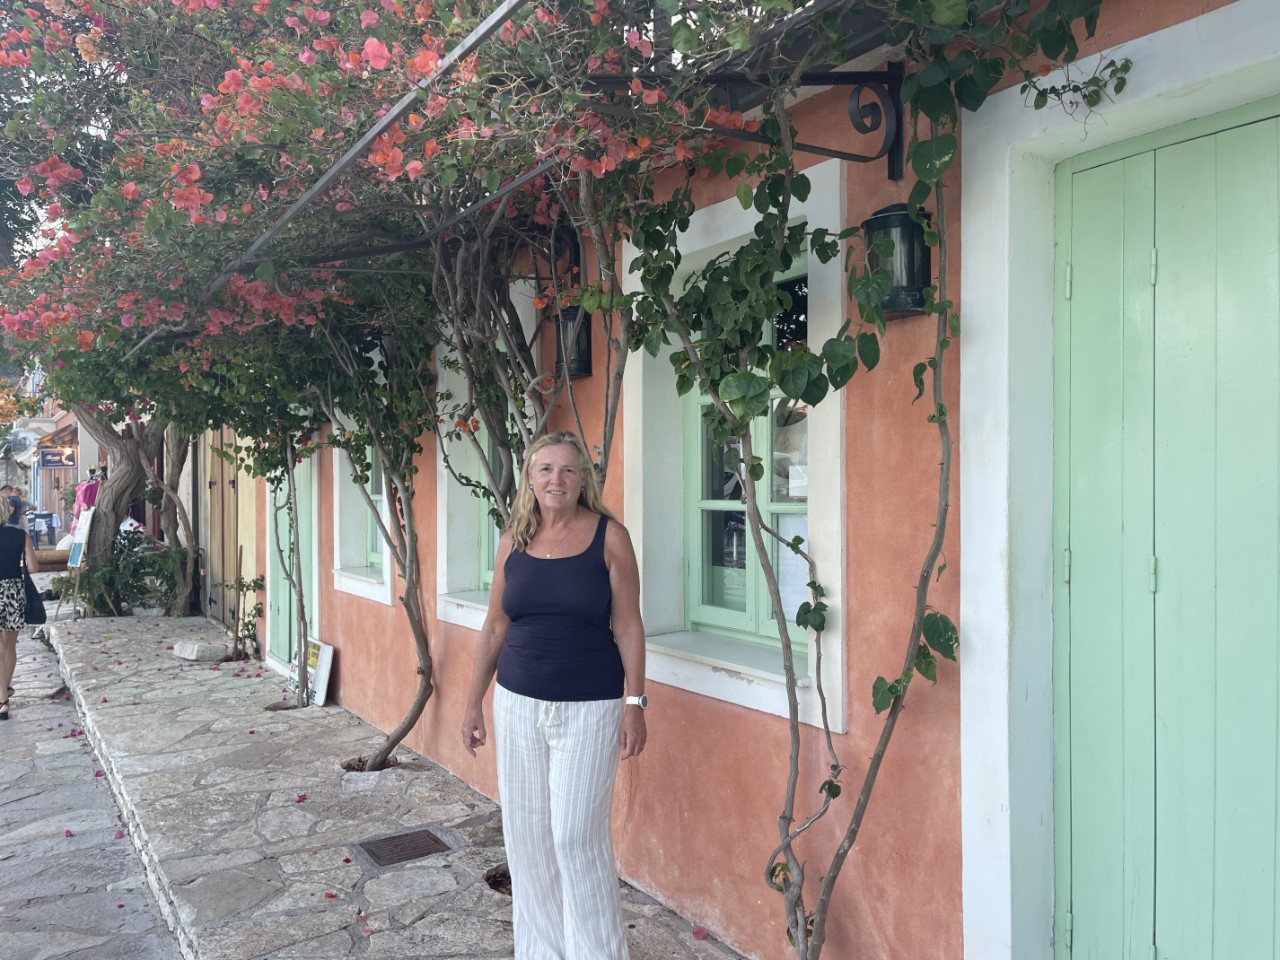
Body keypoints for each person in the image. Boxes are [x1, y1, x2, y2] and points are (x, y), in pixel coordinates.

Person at [462, 431, 647, 960]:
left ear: (582, 479)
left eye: (567, 470)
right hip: (517, 704)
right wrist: (473, 702)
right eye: (545, 469)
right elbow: (495, 626)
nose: (556, 480)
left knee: (575, 838)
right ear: (529, 477)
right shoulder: (512, 541)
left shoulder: (610, 538)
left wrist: (635, 704)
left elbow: (629, 626)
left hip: (590, 708)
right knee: (527, 839)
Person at [0, 496, 39, 720]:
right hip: (13, 593)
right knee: (9, 646)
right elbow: (33, 568)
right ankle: (5, 689)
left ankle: (2, 700)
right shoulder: (21, 535)